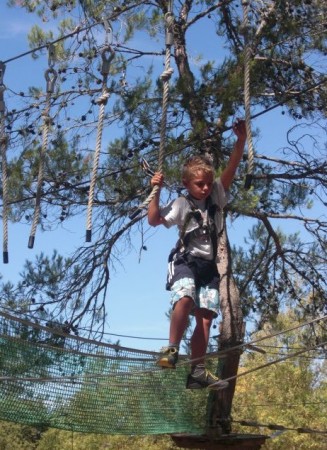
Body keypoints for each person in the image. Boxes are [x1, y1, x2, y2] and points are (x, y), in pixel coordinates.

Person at [148, 119, 247, 390]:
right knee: (185, 297)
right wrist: (155, 191)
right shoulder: (181, 204)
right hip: (185, 261)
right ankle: (171, 349)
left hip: (208, 267)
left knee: (206, 317)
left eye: (206, 184)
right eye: (199, 184)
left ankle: (198, 371)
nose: (204, 188)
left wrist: (240, 142)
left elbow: (231, 169)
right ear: (187, 184)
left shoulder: (216, 196)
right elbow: (153, 220)